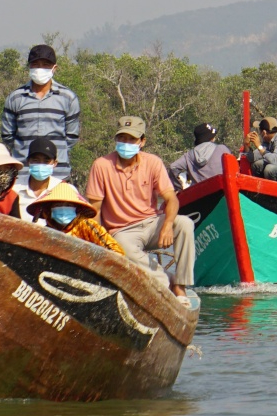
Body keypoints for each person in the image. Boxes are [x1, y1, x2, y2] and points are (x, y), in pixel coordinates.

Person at [83, 116, 196, 301]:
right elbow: (94, 209)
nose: (126, 143)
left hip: (152, 223)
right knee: (121, 248)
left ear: (142, 142)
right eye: (122, 139)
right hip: (121, 230)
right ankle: (165, 281)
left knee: (185, 224)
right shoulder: (101, 165)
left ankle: (180, 284)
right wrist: (99, 239)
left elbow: (171, 199)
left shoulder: (153, 162)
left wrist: (167, 225)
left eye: (131, 139)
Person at [0, 44, 82, 181]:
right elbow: (8, 135)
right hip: (23, 174)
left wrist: (54, 154)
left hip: (58, 174)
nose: (40, 68)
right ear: (29, 67)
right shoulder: (15, 98)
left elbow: (71, 137)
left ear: (54, 68)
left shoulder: (68, 98)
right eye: (36, 64)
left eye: (45, 65)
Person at [25, 182, 128, 257]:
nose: (63, 208)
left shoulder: (87, 226)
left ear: (76, 208)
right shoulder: (47, 232)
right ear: (50, 209)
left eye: (68, 205)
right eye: (58, 205)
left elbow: (116, 252)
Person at [165, 123, 232, 191]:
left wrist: (178, 188)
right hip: (220, 191)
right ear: (211, 138)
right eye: (213, 136)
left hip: (199, 195)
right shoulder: (222, 149)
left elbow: (172, 167)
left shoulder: (189, 155)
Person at [15, 137, 63, 222]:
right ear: (28, 161)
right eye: (36, 160)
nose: (41, 164)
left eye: (46, 161)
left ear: (55, 163)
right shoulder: (15, 188)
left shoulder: (63, 189)